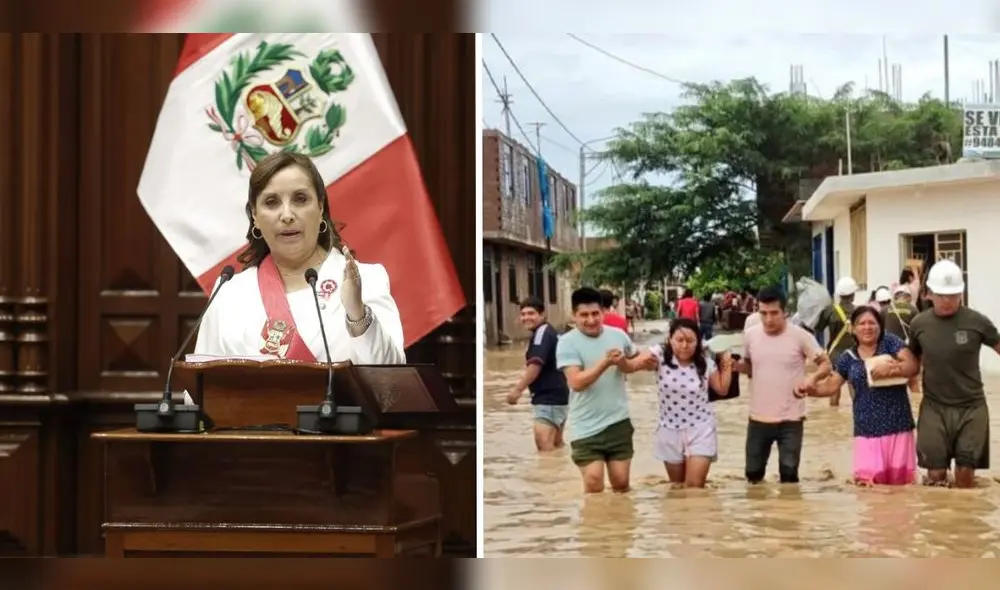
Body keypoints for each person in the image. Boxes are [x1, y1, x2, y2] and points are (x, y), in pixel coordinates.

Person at [194, 152, 405, 364]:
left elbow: (391, 377)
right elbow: (200, 382)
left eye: (300, 199)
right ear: (255, 216)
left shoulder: (366, 280)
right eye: (272, 202)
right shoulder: (228, 292)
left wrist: (358, 315)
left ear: (320, 207)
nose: (287, 215)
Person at [905, 259, 1000, 488]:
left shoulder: (977, 322)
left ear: (961, 293)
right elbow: (911, 362)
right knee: (935, 475)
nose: (947, 301)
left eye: (953, 295)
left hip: (972, 407)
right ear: (929, 294)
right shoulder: (919, 324)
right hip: (934, 407)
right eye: (941, 295)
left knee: (965, 476)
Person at [556, 287, 657, 493]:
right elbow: (575, 382)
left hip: (618, 421)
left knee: (621, 483)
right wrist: (606, 362)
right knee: (594, 483)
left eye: (595, 313)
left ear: (603, 312)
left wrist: (648, 361)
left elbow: (635, 361)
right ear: (574, 315)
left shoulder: (618, 335)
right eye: (584, 315)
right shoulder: (566, 343)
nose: (591, 320)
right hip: (585, 426)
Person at [812, 306, 919, 486]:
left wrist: (892, 369)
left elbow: (913, 366)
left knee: (900, 487)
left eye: (872, 323)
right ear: (853, 329)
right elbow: (831, 386)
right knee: (868, 485)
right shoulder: (847, 357)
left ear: (880, 326)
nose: (867, 327)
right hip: (866, 430)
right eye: (861, 324)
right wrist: (808, 389)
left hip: (898, 427)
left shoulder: (890, 343)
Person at [735, 286, 832, 484]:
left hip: (791, 420)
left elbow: (826, 364)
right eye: (763, 313)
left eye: (774, 313)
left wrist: (811, 379)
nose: (768, 319)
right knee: (753, 477)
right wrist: (734, 366)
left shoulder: (801, 336)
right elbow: (750, 368)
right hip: (758, 418)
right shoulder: (750, 335)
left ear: (785, 312)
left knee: (789, 478)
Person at [649, 318, 733, 487]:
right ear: (670, 340)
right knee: (677, 486)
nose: (684, 345)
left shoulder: (705, 363)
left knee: (695, 486)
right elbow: (634, 364)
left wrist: (726, 362)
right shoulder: (660, 359)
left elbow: (722, 389)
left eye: (690, 341)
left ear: (698, 342)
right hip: (669, 430)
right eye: (679, 340)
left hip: (701, 429)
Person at [507, 297, 570, 451]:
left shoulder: (542, 333)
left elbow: (535, 365)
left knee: (544, 449)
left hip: (548, 398)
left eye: (531, 313)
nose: (526, 317)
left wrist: (517, 390)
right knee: (557, 446)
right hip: (559, 395)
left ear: (542, 315)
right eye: (523, 314)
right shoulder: (548, 331)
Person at [814, 276, 858, 406]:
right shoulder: (859, 312)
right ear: (853, 294)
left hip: (835, 355)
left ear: (839, 295)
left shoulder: (830, 310)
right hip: (854, 355)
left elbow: (818, 328)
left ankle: (833, 412)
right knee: (854, 386)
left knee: (834, 387)